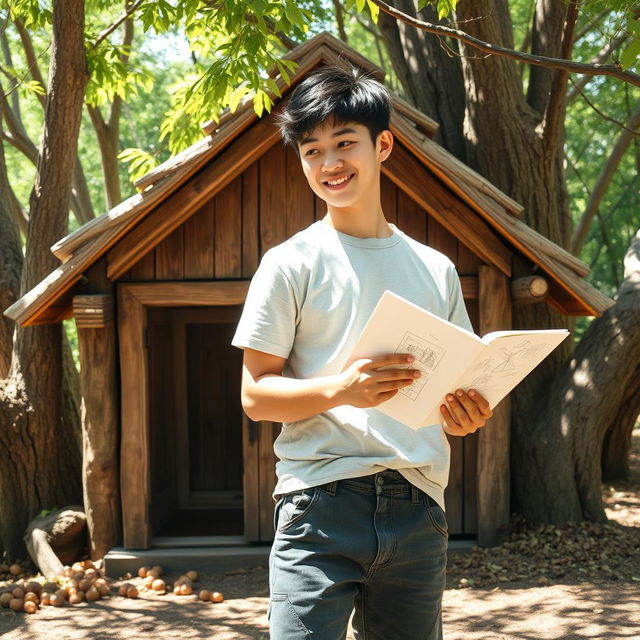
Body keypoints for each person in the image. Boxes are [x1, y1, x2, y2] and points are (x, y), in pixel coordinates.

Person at [231, 65, 493, 640]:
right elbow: (255, 396)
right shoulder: (289, 263)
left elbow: (455, 391)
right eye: (311, 150)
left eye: (344, 143)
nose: (329, 164)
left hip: (419, 505)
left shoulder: (436, 268)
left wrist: (467, 411)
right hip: (317, 506)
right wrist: (342, 390)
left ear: (384, 145)